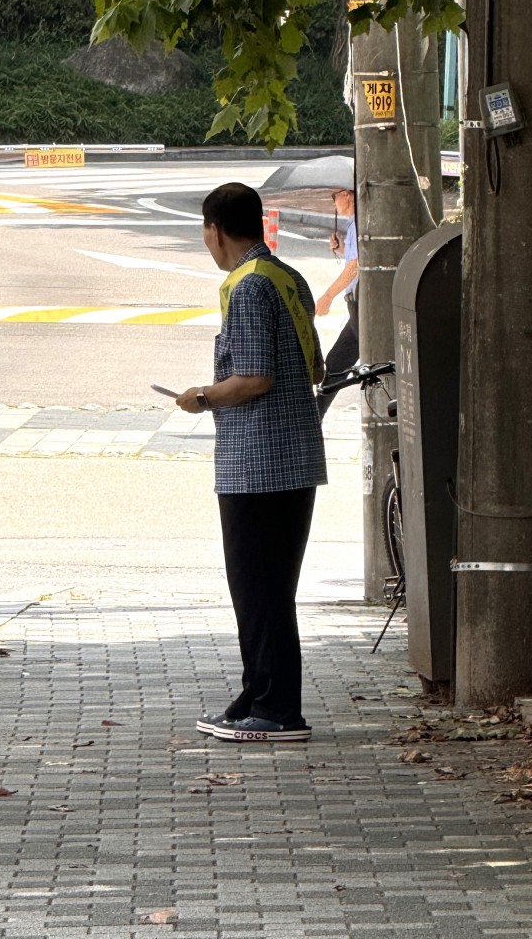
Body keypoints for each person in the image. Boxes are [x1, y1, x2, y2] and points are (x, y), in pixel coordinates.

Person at [175, 182, 326, 743]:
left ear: (215, 229)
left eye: (206, 233)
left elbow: (255, 377)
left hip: (257, 461)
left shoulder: (246, 288)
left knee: (257, 588)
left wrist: (203, 396)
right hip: (295, 454)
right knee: (269, 588)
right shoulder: (289, 278)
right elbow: (312, 368)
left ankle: (278, 710)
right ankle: (256, 694)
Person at [314, 187, 359, 420]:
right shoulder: (353, 225)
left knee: (339, 362)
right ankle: (314, 417)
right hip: (356, 306)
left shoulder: (360, 223)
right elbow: (353, 261)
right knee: (336, 362)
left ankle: (314, 418)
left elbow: (356, 266)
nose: (334, 203)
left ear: (347, 195)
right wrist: (341, 249)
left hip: (363, 306)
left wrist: (328, 295)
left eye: (335, 197)